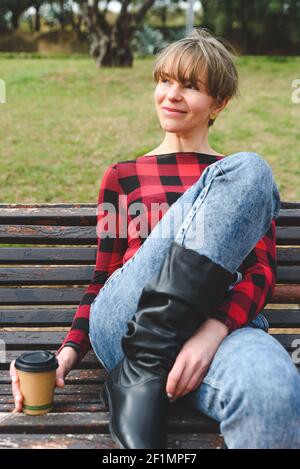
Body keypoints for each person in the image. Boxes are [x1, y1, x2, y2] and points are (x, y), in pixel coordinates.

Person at [10, 28, 300, 449]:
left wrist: (212, 332)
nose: (171, 95)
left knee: (274, 391)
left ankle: (142, 375)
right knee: (249, 169)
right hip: (127, 323)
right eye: (164, 81)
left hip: (221, 335)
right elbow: (102, 280)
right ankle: (141, 364)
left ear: (218, 103)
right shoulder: (123, 176)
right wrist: (66, 356)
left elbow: (259, 275)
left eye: (189, 86)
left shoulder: (240, 184)